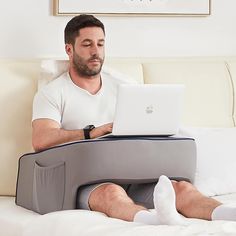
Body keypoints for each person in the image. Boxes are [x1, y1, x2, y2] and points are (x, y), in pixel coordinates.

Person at [32, 14, 236, 225]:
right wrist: (89, 133)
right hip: (87, 182)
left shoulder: (124, 88)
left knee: (181, 188)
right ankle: (154, 220)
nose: (96, 51)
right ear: (69, 49)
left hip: (135, 175)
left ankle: (228, 214)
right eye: (87, 44)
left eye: (100, 44)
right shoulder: (53, 93)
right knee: (111, 192)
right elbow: (40, 139)